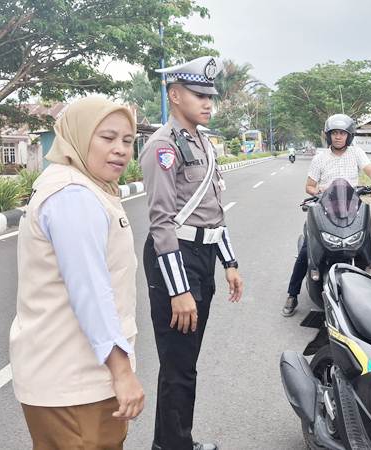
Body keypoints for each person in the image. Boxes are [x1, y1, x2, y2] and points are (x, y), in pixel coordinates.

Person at [10, 96, 144, 449]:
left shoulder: (83, 187)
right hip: (72, 380)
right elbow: (91, 292)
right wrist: (122, 372)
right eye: (107, 137)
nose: (120, 150)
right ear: (80, 136)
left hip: (72, 377)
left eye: (127, 141)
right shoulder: (73, 195)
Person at [141, 56, 244, 450]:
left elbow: (213, 213)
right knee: (180, 365)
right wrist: (179, 290)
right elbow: (163, 224)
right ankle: (177, 445)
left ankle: (168, 443)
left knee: (182, 364)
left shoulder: (202, 142)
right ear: (174, 95)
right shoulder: (163, 147)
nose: (207, 103)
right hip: (175, 260)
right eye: (199, 95)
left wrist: (229, 262)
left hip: (202, 257)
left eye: (210, 96)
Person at [282, 113, 371, 316]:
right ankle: (292, 295)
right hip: (325, 210)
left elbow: (369, 170)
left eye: (342, 133)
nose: (338, 137)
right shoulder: (320, 158)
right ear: (328, 136)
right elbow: (309, 187)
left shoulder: (356, 153)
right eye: (334, 133)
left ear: (349, 136)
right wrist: (320, 190)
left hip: (352, 210)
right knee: (306, 252)